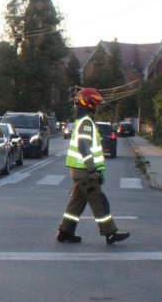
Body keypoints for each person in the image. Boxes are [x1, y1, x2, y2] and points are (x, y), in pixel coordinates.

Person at [56, 88, 130, 245]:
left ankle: (64, 232)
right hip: (85, 172)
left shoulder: (82, 121)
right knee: (100, 202)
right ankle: (110, 232)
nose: (99, 107)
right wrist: (92, 170)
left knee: (76, 204)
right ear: (90, 104)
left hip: (78, 171)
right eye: (97, 104)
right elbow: (83, 146)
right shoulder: (87, 123)